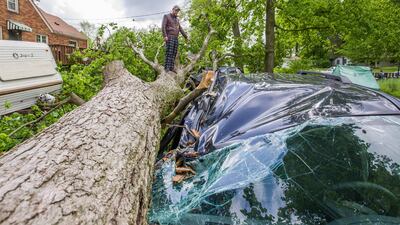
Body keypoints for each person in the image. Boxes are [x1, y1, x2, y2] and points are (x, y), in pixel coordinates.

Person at [162, 5, 189, 72]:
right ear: (173, 9)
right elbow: (163, 27)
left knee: (174, 52)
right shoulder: (166, 16)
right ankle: (167, 68)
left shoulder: (177, 19)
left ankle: (171, 67)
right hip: (169, 37)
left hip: (176, 38)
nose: (176, 12)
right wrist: (165, 36)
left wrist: (186, 36)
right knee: (169, 52)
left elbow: (180, 28)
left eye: (177, 11)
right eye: (176, 10)